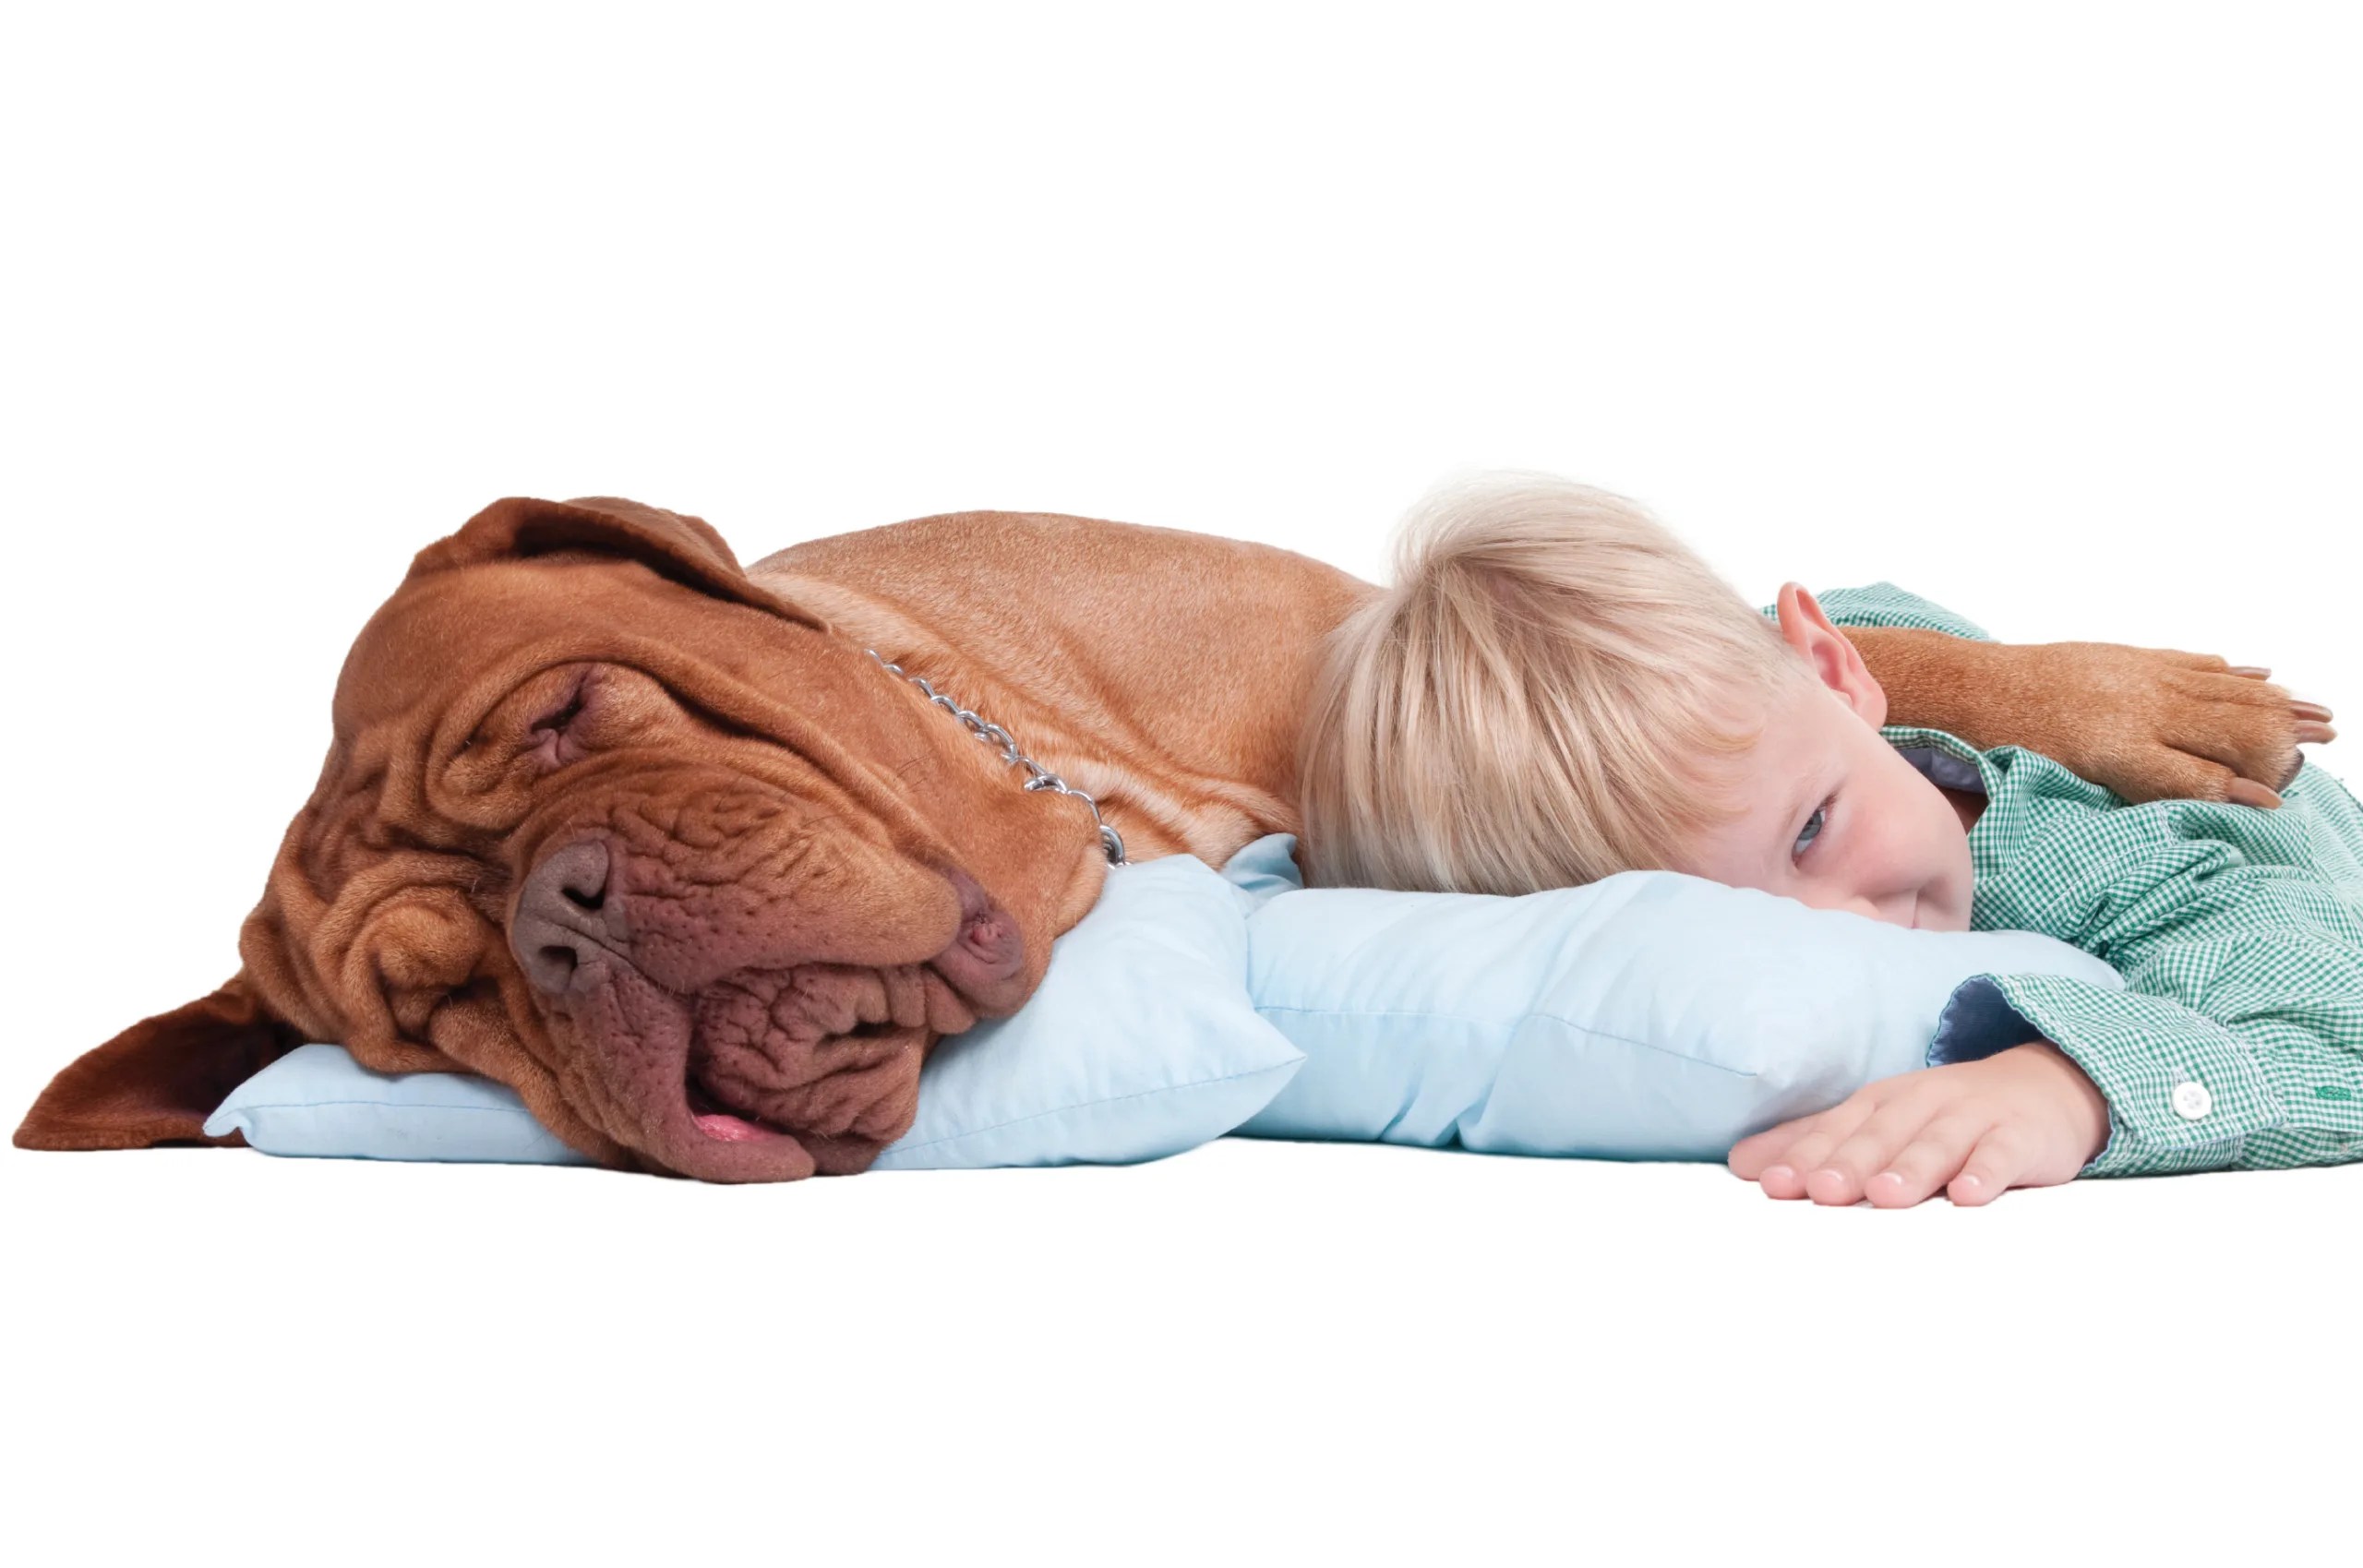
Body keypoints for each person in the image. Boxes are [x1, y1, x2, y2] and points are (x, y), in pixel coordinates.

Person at [1296, 471, 2354, 1207]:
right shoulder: (1786, 734)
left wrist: (2071, 1082)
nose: (1846, 931)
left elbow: (2330, 1021)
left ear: (1837, 668)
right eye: (1749, 932)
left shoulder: (2092, 852)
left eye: (1811, 832)